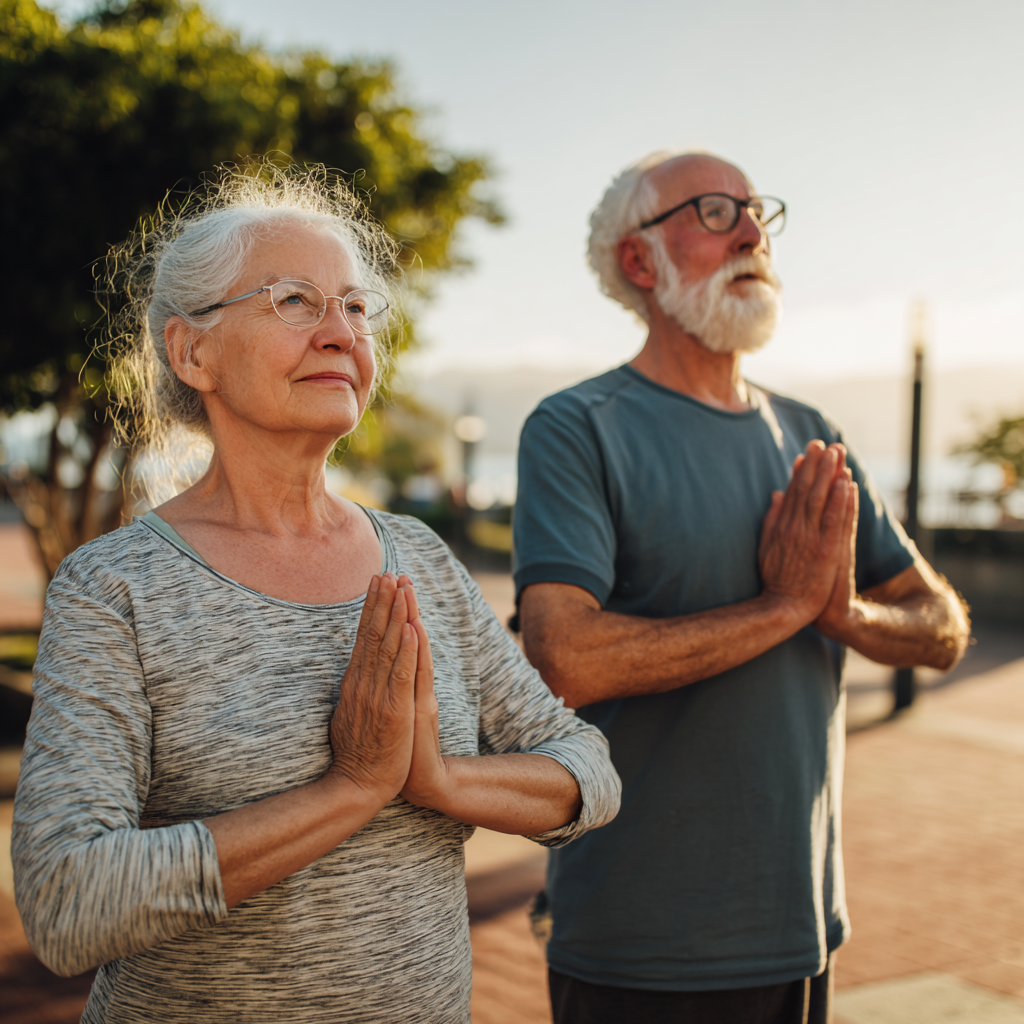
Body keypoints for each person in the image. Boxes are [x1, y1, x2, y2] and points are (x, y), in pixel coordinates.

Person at [12, 165, 621, 1024]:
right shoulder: (115, 588)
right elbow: (68, 901)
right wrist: (350, 789)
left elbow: (586, 769)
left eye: (356, 307)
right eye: (294, 301)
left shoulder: (419, 558)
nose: (341, 333)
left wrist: (438, 780)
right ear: (194, 352)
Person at [513, 151, 970, 1024]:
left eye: (758, 211)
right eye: (716, 212)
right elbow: (567, 656)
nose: (754, 232)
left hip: (801, 928)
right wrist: (784, 611)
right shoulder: (577, 429)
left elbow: (941, 625)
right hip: (638, 943)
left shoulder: (812, 435)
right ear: (638, 262)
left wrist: (845, 613)